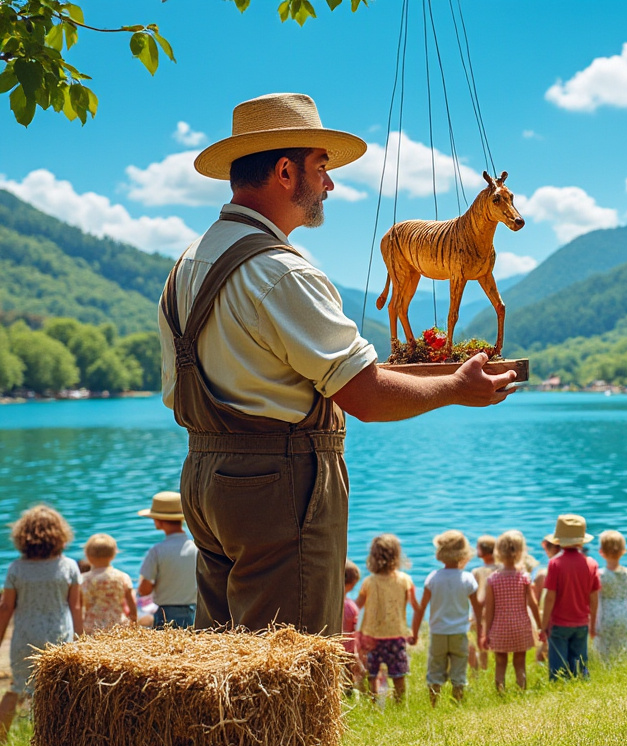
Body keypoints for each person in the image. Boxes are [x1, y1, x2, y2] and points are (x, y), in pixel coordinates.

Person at [158, 93, 516, 636]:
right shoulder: (283, 273)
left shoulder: (187, 264)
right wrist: (454, 387)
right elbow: (366, 395)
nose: (329, 184)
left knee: (224, 658)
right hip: (278, 487)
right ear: (284, 171)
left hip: (205, 480)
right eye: (320, 166)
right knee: (291, 662)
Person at [0, 505, 82, 742]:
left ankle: (1, 740)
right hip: (58, 637)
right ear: (60, 534)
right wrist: (81, 640)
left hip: (25, 637)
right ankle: (52, 740)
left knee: (17, 687)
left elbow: (6, 607)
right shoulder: (68, 566)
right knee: (57, 691)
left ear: (22, 535)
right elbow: (76, 607)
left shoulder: (17, 568)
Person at [412, 530, 481, 703]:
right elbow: (477, 608)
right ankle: (457, 704)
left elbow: (421, 608)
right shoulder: (467, 578)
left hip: (438, 633)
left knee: (435, 671)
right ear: (463, 553)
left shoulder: (433, 578)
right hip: (459, 633)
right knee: (459, 672)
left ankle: (434, 705)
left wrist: (414, 633)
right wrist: (481, 632)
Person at [538, 515, 601, 680]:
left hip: (559, 623)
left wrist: (544, 626)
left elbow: (550, 598)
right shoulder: (592, 563)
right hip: (581, 623)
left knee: (558, 670)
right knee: (579, 665)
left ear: (559, 540)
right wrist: (592, 624)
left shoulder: (554, 564)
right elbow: (594, 599)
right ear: (581, 541)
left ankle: (560, 692)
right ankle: (581, 688)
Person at [356, 534, 416, 702]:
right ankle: (400, 704)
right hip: (396, 634)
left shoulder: (369, 581)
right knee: (398, 674)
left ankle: (373, 703)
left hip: (372, 636)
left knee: (372, 674)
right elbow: (413, 605)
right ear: (397, 556)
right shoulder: (405, 580)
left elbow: (357, 606)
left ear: (373, 557)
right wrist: (414, 632)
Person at [482, 531, 540, 693]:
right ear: (521, 551)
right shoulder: (524, 577)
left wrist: (486, 633)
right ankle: (521, 691)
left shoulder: (493, 579)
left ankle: (500, 694)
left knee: (500, 663)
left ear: (498, 552)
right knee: (520, 662)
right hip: (520, 627)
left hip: (500, 628)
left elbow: (489, 609)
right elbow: (533, 604)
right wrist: (540, 626)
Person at [136, 492, 199, 629]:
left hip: (166, 615)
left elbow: (145, 590)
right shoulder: (197, 548)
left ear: (158, 521)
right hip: (195, 613)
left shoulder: (157, 551)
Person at [593, 530, 627, 660]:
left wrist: (591, 622)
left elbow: (594, 601)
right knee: (624, 651)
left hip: (606, 617)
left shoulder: (599, 575)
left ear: (601, 552)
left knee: (604, 654)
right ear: (623, 550)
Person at [80, 534, 136, 633]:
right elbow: (132, 604)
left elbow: (79, 607)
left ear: (87, 556)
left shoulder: (82, 580)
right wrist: (134, 624)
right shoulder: (123, 577)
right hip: (118, 626)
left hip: (92, 627)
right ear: (114, 555)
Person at [469, 535, 500, 674]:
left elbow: (473, 595)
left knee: (478, 643)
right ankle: (491, 671)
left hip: (480, 611)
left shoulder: (477, 571)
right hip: (498, 610)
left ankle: (480, 671)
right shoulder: (501, 568)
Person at [531, 538, 560, 665]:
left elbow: (535, 602)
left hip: (547, 616)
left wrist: (539, 625)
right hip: (566, 616)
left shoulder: (542, 575)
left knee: (544, 649)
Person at [341, 560, 363, 692]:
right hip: (348, 649)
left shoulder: (334, 604)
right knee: (350, 675)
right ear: (352, 584)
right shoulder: (350, 607)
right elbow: (356, 628)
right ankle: (349, 693)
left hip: (336, 646)